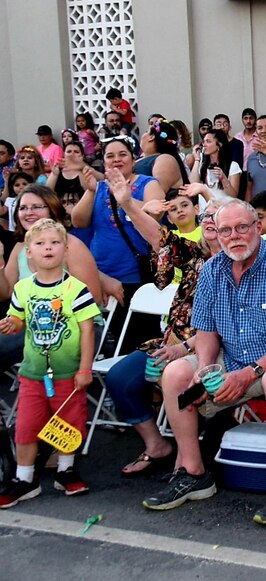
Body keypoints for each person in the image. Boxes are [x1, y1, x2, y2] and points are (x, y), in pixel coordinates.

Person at [143, 200, 266, 526]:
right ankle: (194, 472)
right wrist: (204, 369)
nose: (234, 236)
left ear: (258, 228)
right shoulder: (211, 269)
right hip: (235, 352)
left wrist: (248, 373)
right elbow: (206, 330)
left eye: (242, 227)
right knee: (175, 373)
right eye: (226, 230)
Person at [104, 173, 222, 476]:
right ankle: (158, 445)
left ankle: (189, 458)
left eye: (215, 215)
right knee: (120, 378)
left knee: (177, 378)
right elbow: (159, 237)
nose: (209, 220)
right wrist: (129, 204)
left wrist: (184, 349)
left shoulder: (243, 264)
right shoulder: (195, 256)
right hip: (172, 341)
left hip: (214, 349)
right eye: (207, 215)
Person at [0, 219, 99, 507]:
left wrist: (84, 368)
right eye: (40, 243)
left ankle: (66, 470)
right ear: (28, 252)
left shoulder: (76, 289)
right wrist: (11, 324)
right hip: (33, 373)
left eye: (54, 243)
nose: (48, 248)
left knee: (69, 423)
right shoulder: (22, 288)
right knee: (27, 425)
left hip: (68, 372)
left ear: (66, 251)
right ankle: (25, 477)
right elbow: (19, 320)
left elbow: (86, 329)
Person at [70, 135, 165, 351]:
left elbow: (157, 213)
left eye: (122, 154)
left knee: (136, 338)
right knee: (108, 336)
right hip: (100, 273)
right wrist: (90, 190)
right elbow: (78, 220)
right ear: (104, 162)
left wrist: (126, 199)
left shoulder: (147, 183)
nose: (117, 160)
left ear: (133, 159)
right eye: (110, 156)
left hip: (135, 274)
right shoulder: (99, 187)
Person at [0, 185, 109, 368]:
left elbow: (93, 297)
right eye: (23, 208)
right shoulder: (20, 248)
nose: (29, 213)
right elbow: (7, 293)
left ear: (51, 209)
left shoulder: (71, 245)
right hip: (31, 325)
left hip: (77, 327)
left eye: (36, 207)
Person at [135, 119, 188, 191]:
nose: (143, 135)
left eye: (146, 132)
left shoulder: (165, 160)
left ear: (152, 137)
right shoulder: (141, 158)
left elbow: (157, 194)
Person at [196, 129, 241, 198]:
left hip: (224, 207)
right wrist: (197, 159)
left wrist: (223, 179)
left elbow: (233, 195)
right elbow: (193, 183)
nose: (204, 145)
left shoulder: (233, 165)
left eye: (208, 141)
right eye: (203, 141)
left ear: (219, 145)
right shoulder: (202, 163)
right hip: (205, 207)